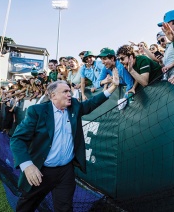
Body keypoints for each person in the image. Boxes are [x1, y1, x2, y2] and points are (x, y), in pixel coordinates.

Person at [10, 72, 120, 211]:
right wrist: (27, 165)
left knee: (65, 208)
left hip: (65, 172)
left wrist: (113, 87)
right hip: (41, 170)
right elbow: (18, 139)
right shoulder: (37, 111)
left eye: (69, 91)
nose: (70, 94)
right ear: (53, 96)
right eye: (65, 91)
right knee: (26, 206)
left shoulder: (74, 106)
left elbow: (91, 103)